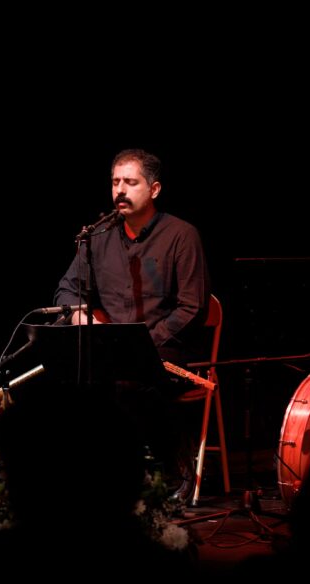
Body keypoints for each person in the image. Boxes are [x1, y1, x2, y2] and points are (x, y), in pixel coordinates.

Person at [52, 148, 211, 501]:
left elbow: (192, 308)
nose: (120, 190)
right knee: (61, 378)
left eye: (130, 182)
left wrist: (140, 345)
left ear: (154, 189)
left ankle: (172, 472)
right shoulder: (97, 236)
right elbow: (66, 290)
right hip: (109, 354)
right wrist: (79, 313)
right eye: (115, 182)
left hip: (165, 353)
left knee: (129, 382)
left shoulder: (181, 236)